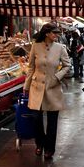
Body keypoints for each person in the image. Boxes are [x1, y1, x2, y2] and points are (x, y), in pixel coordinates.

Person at [23, 23, 71, 159]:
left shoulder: (60, 48)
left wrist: (57, 77)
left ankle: (50, 148)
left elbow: (67, 66)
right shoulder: (35, 46)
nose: (56, 35)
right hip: (36, 86)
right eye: (54, 33)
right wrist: (26, 86)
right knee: (36, 119)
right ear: (46, 33)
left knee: (52, 120)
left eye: (57, 33)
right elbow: (31, 67)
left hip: (53, 87)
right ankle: (40, 144)